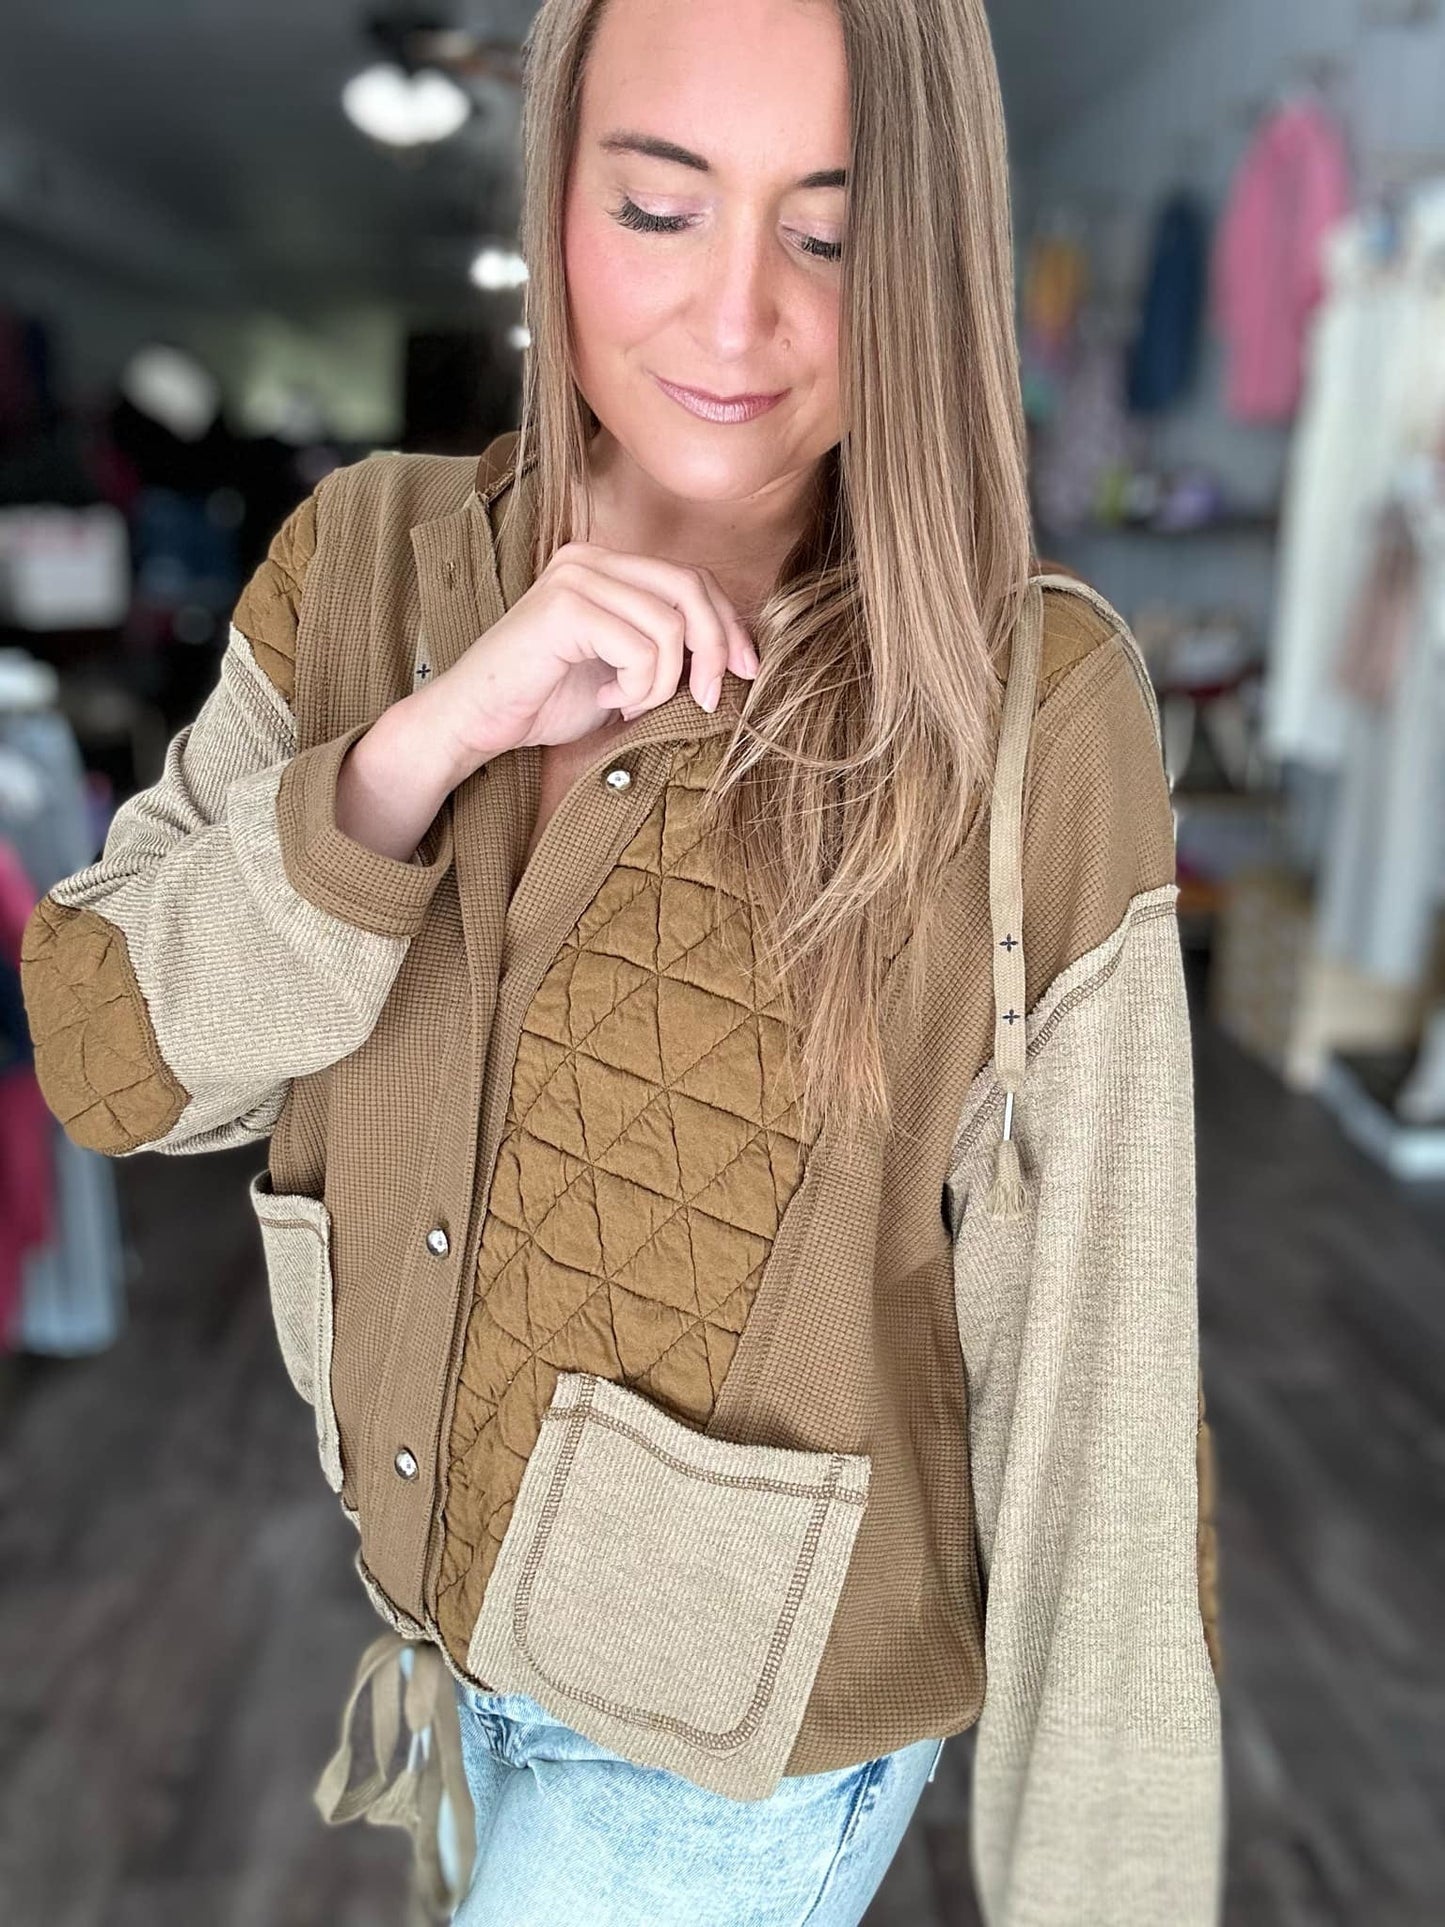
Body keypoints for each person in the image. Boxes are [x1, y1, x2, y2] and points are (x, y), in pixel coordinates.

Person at [19, 0, 1226, 1921]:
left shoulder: (1019, 702)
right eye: (659, 209)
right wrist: (419, 751)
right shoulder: (365, 565)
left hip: (724, 1765)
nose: (736, 317)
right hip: (440, 1630)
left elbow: (1102, 1395)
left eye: (828, 233)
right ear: (556, 190)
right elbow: (103, 1058)